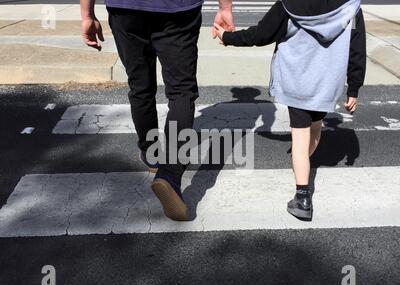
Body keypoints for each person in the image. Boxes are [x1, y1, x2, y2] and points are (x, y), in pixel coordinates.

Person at [80, 0, 235, 221]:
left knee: (140, 86)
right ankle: (170, 173)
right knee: (181, 91)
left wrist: (87, 14)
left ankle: (151, 153)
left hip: (126, 9)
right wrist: (225, 8)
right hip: (179, 10)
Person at [213, 0, 366, 221]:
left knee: (300, 140)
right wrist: (354, 87)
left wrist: (227, 38)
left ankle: (302, 197)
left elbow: (261, 34)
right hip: (326, 83)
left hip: (297, 81)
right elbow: (357, 48)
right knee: (314, 130)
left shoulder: (289, 4)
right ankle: (301, 162)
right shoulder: (350, 7)